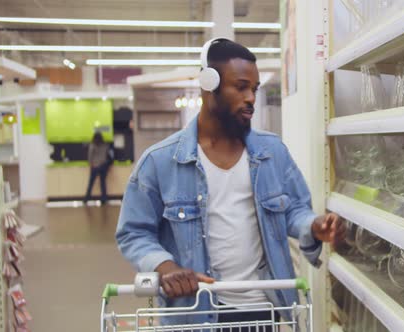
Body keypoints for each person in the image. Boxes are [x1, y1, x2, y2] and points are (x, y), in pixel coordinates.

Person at [116, 38, 344, 328]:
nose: (250, 97)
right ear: (209, 84)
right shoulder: (161, 162)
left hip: (264, 309)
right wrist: (166, 266)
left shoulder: (272, 152)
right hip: (196, 313)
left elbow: (293, 210)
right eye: (241, 87)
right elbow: (133, 232)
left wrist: (314, 225)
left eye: (254, 89)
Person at [85, 132, 112, 204]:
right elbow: (107, 155)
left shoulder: (92, 145)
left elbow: (90, 157)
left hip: (95, 166)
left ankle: (87, 198)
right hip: (103, 166)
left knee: (91, 183)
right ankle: (104, 199)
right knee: (102, 183)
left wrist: (91, 164)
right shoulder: (105, 145)